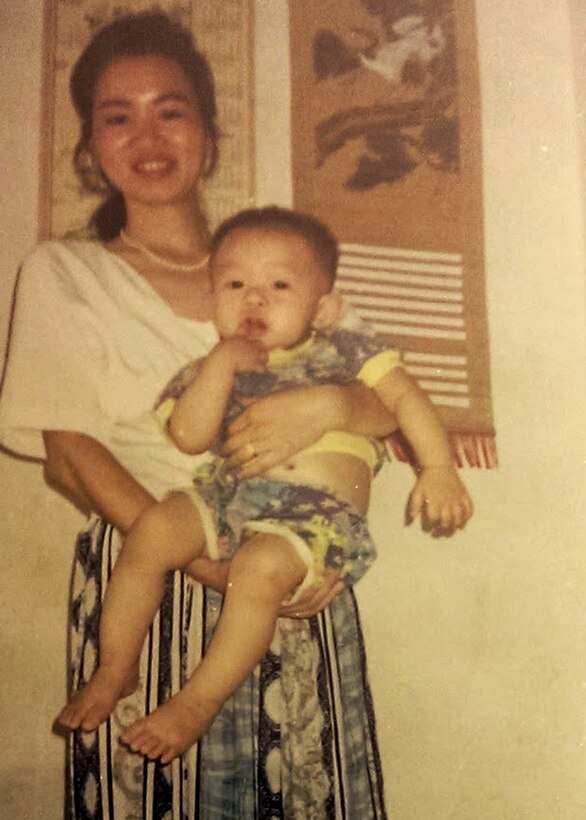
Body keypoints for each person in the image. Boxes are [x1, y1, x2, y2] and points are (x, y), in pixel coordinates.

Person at [0, 11, 418, 819]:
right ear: (90, 144)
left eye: (171, 108)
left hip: (296, 573)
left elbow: (387, 412)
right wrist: (204, 566)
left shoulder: (283, 262)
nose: (147, 136)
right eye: (117, 116)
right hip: (151, 577)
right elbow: (69, 453)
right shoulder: (64, 273)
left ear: (210, 131)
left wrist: (333, 405)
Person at [56, 206, 473, 763]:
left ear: (323, 305)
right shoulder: (210, 367)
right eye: (235, 284)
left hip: (313, 517)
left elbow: (404, 399)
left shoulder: (344, 351)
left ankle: (196, 703)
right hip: (229, 496)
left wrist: (439, 468)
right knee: (154, 528)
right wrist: (222, 364)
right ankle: (115, 667)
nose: (254, 299)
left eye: (278, 284)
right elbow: (188, 435)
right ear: (213, 299)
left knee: (257, 570)